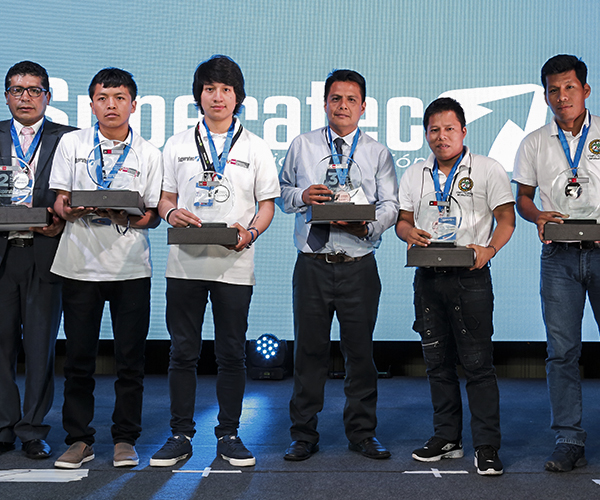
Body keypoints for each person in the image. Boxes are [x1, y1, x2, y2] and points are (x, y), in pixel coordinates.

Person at [512, 54, 600, 475]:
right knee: (561, 354)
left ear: (586, 90)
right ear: (546, 96)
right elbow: (522, 198)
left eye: (569, 87)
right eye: (554, 90)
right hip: (558, 256)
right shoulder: (534, 142)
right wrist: (537, 216)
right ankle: (568, 439)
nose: (562, 96)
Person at [149, 55, 279, 468]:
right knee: (182, 352)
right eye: (209, 89)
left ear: (238, 97)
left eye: (225, 89)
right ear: (198, 95)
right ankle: (180, 434)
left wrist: (251, 233)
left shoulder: (256, 146)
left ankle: (229, 434)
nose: (217, 96)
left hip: (234, 264)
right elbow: (165, 198)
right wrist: (171, 213)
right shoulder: (177, 144)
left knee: (231, 354)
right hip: (184, 264)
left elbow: (267, 204)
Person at [278, 69, 398, 461]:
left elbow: (390, 204)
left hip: (358, 262)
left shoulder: (377, 152)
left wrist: (368, 225)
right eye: (335, 98)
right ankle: (303, 435)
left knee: (360, 354)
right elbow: (280, 192)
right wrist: (302, 195)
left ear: (363, 107)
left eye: (350, 99)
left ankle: (362, 433)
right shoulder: (302, 145)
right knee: (308, 353)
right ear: (325, 103)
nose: (342, 106)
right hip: (312, 263)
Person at [48, 68, 163, 469]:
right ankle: (79, 440)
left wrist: (126, 214)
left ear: (134, 104)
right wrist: (69, 209)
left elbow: (152, 216)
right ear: (91, 104)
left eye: (119, 98)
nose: (110, 105)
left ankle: (125, 439)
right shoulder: (72, 143)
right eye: (102, 98)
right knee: (78, 360)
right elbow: (60, 200)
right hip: (78, 264)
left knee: (130, 361)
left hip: (130, 267)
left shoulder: (149, 153)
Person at [395, 97, 515, 475]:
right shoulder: (414, 174)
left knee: (478, 365)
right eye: (434, 130)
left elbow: (507, 219)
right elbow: (402, 221)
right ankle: (447, 437)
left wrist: (489, 249)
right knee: (437, 364)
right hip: (428, 277)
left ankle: (486, 446)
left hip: (470, 277)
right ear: (426, 134)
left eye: (449, 129)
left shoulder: (488, 168)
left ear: (463, 131)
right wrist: (408, 232)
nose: (441, 136)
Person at [0, 61, 76, 461]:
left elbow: (75, 192)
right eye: (17, 90)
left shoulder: (69, 138)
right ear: (6, 96)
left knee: (41, 348)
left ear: (48, 96)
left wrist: (60, 220)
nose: (25, 97)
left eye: (34, 90)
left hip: (44, 253)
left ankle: (32, 429)